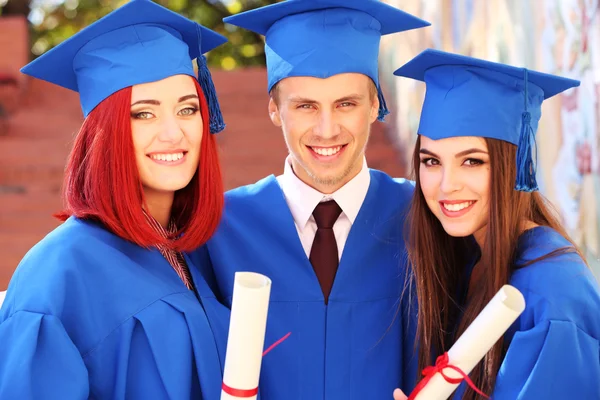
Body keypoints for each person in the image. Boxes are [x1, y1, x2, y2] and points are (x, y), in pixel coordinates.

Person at [190, 1, 430, 399]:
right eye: (305, 106)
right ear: (274, 110)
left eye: (346, 104)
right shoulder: (220, 229)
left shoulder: (418, 218)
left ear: (374, 106)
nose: (326, 128)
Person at [0, 1, 231, 398]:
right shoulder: (57, 274)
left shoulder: (194, 251)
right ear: (104, 133)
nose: (174, 134)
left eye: (188, 109)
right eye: (143, 114)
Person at [392, 49, 600, 399]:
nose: (446, 185)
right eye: (431, 161)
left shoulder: (554, 293)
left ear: (514, 167)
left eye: (472, 161)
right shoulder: (471, 258)